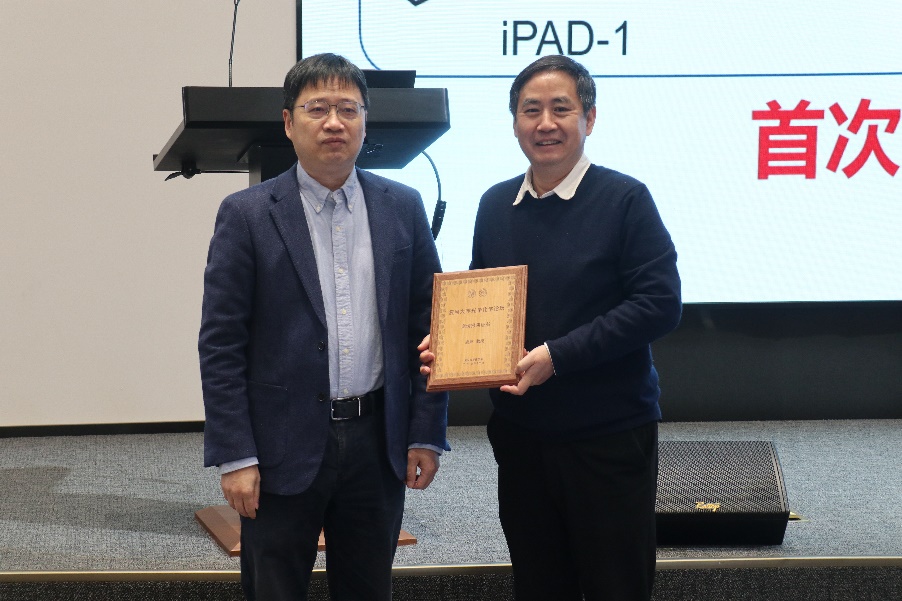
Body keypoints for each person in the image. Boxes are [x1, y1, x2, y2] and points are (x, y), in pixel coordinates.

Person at [420, 55, 681, 601]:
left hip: (607, 439)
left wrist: (557, 355)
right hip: (522, 438)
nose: (545, 123)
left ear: (589, 118)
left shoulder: (625, 199)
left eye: (561, 109)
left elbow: (658, 305)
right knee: (538, 585)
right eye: (530, 110)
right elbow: (483, 298)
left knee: (616, 586)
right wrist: (450, 342)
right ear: (514, 122)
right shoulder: (496, 204)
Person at [199, 53, 449, 601]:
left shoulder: (403, 207)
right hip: (279, 445)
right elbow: (221, 344)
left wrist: (425, 432)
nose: (334, 122)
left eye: (348, 109)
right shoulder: (246, 214)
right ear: (289, 123)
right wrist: (236, 454)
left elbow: (431, 327)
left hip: (377, 441)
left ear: (365, 121)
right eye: (317, 109)